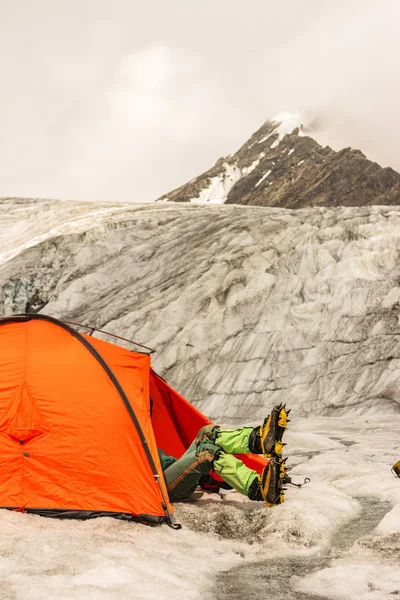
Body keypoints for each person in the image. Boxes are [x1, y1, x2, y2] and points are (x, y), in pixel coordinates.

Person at [159, 404, 289, 506]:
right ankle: (258, 488)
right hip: (159, 487)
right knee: (207, 453)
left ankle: (260, 441)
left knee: (206, 433)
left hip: (165, 473)